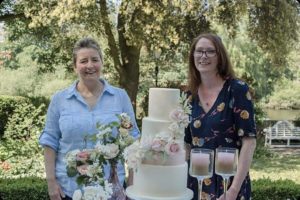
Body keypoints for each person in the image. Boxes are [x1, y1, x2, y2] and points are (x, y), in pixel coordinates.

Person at [39, 37, 140, 200]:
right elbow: (50, 141)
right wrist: (51, 183)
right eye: (83, 61)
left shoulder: (120, 97)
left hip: (113, 191)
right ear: (75, 66)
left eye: (95, 59)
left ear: (101, 63)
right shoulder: (60, 99)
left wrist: (133, 183)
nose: (90, 65)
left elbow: (132, 140)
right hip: (69, 190)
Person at [184, 33, 256, 200]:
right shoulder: (188, 96)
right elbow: (187, 145)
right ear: (193, 55)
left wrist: (233, 190)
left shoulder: (237, 90)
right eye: (199, 51)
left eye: (210, 51)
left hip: (230, 183)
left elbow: (249, 142)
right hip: (196, 183)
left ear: (220, 57)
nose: (203, 56)